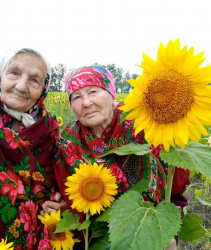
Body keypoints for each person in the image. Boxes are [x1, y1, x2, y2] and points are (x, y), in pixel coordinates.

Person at [52, 65, 190, 249]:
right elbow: (68, 203)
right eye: (76, 97)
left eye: (93, 92)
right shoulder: (65, 143)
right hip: (95, 241)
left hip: (151, 236)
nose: (86, 103)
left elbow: (174, 187)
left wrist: (169, 234)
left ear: (112, 95)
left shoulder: (145, 125)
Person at [0, 48, 66, 249]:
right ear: (0, 73)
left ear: (44, 88)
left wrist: (62, 202)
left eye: (34, 80)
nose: (21, 86)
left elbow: (59, 178)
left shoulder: (48, 127)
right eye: (14, 73)